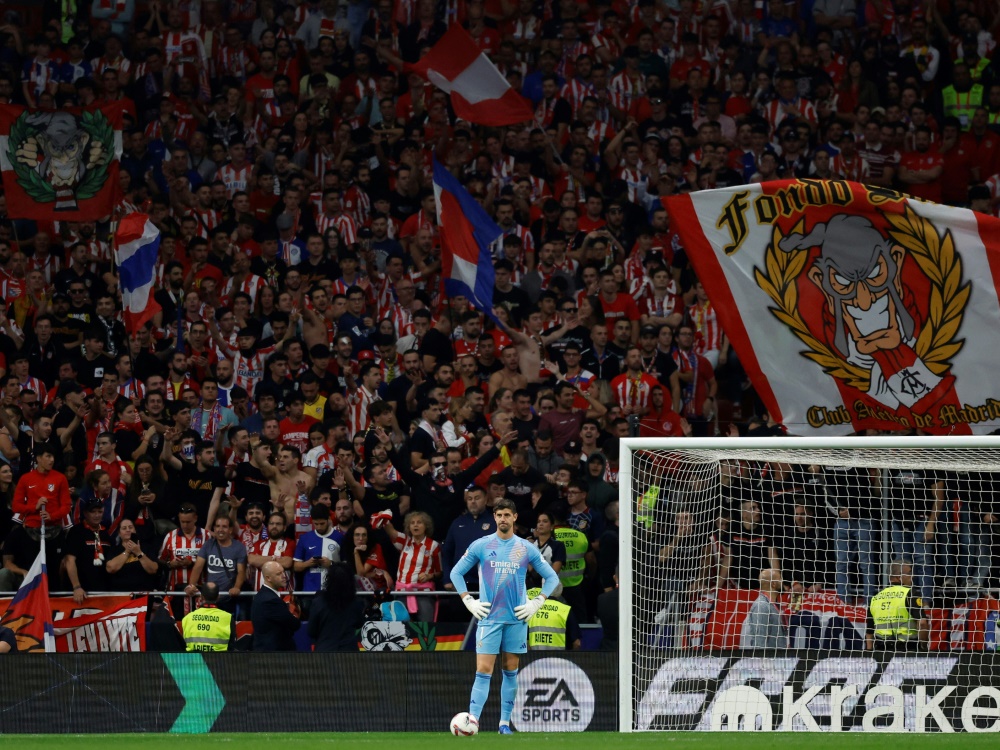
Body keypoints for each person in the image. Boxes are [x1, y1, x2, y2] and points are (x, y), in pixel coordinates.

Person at [449, 499, 560, 735]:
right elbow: (456, 572)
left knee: (510, 670)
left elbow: (552, 578)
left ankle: (504, 725)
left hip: (516, 618)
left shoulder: (525, 548)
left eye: (507, 515)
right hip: (489, 618)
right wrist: (468, 600)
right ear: (494, 517)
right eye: (499, 515)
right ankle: (473, 723)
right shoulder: (481, 545)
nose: (502, 519)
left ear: (515, 517)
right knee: (483, 670)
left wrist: (537, 603)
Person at [185, 516, 248, 613]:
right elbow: (198, 567)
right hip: (210, 598)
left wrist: (236, 587)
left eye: (224, 526)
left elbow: (241, 571)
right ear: (214, 529)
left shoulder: (239, 547)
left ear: (230, 530)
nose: (220, 530)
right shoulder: (208, 545)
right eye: (218, 526)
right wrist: (191, 585)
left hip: (229, 598)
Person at [866, 562, 929, 650]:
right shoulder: (910, 594)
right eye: (909, 573)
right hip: (907, 650)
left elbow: (869, 632)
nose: (913, 576)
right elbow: (922, 624)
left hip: (881, 651)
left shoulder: (875, 598)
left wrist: (870, 653)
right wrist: (923, 646)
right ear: (899, 577)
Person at [308, 562, 366, 651]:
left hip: (324, 652)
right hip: (349, 653)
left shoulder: (318, 602)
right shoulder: (357, 602)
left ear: (329, 579)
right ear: (351, 580)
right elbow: (359, 624)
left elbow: (311, 631)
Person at [251, 560, 301, 651]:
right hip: (274, 655)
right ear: (268, 578)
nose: (284, 576)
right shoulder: (271, 600)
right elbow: (294, 624)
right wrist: (293, 614)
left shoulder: (262, 595)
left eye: (283, 572)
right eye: (278, 574)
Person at [181, 582, 235, 652]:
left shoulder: (187, 618)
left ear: (201, 597)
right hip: (220, 660)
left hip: (194, 660)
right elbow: (231, 646)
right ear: (218, 597)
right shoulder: (228, 618)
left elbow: (184, 644)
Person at [740, 568, 787, 649]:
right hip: (768, 661)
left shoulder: (773, 604)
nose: (783, 582)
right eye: (780, 579)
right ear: (773, 584)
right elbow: (760, 643)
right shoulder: (762, 606)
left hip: (777, 659)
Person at [525, 586, 581, 651]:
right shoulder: (565, 610)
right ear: (560, 592)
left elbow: (526, 641)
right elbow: (577, 643)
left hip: (535, 658)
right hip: (560, 659)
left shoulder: (533, 609)